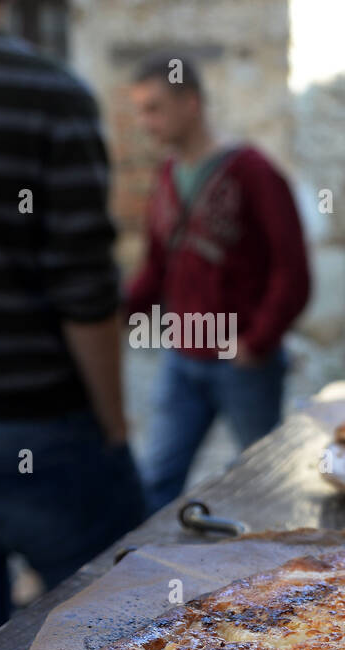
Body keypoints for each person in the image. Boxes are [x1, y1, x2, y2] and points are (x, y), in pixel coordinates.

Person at [0, 0, 145, 642]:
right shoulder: (51, 96)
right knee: (112, 629)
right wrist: (115, 426)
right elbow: (84, 288)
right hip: (40, 422)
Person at [127, 52, 311, 512]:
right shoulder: (168, 175)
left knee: (264, 482)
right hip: (181, 353)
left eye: (154, 108)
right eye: (140, 109)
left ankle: (278, 578)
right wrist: (117, 311)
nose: (144, 122)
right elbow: (156, 265)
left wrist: (257, 341)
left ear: (190, 103)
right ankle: (144, 579)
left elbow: (293, 270)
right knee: (157, 479)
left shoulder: (253, 171)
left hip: (241, 358)